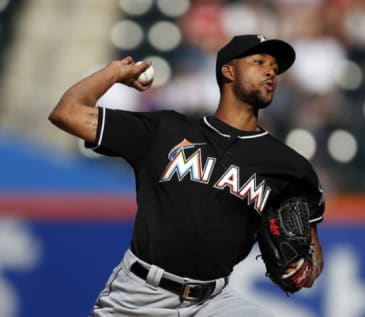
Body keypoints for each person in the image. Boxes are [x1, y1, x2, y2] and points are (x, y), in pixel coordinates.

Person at [49, 34, 325, 317]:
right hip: (140, 296)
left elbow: (313, 254)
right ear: (228, 71)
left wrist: (305, 271)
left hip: (212, 303)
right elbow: (67, 113)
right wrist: (114, 72)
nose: (271, 71)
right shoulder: (166, 130)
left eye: (275, 68)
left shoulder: (291, 167)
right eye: (259, 62)